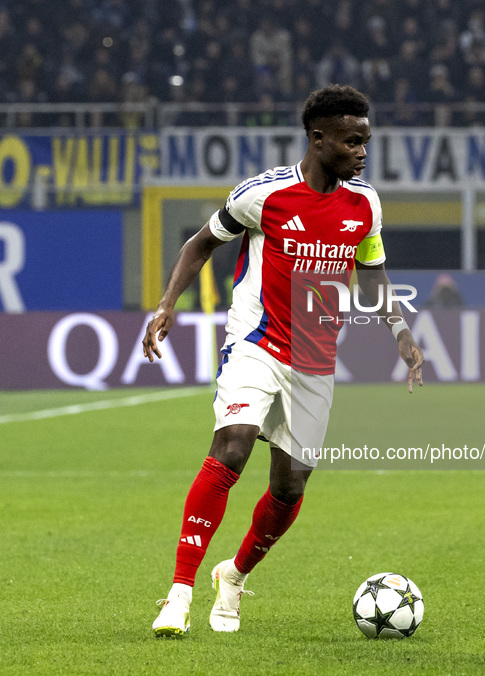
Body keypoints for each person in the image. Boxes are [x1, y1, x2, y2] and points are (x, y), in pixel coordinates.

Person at [142, 84, 424, 638]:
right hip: (256, 342)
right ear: (318, 140)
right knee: (232, 445)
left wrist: (400, 331)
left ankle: (235, 575)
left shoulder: (364, 203)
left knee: (290, 487)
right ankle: (178, 594)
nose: (362, 152)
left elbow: (372, 272)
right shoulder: (263, 195)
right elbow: (199, 243)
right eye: (352, 142)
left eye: (366, 141)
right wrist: (166, 303)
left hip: (316, 359)